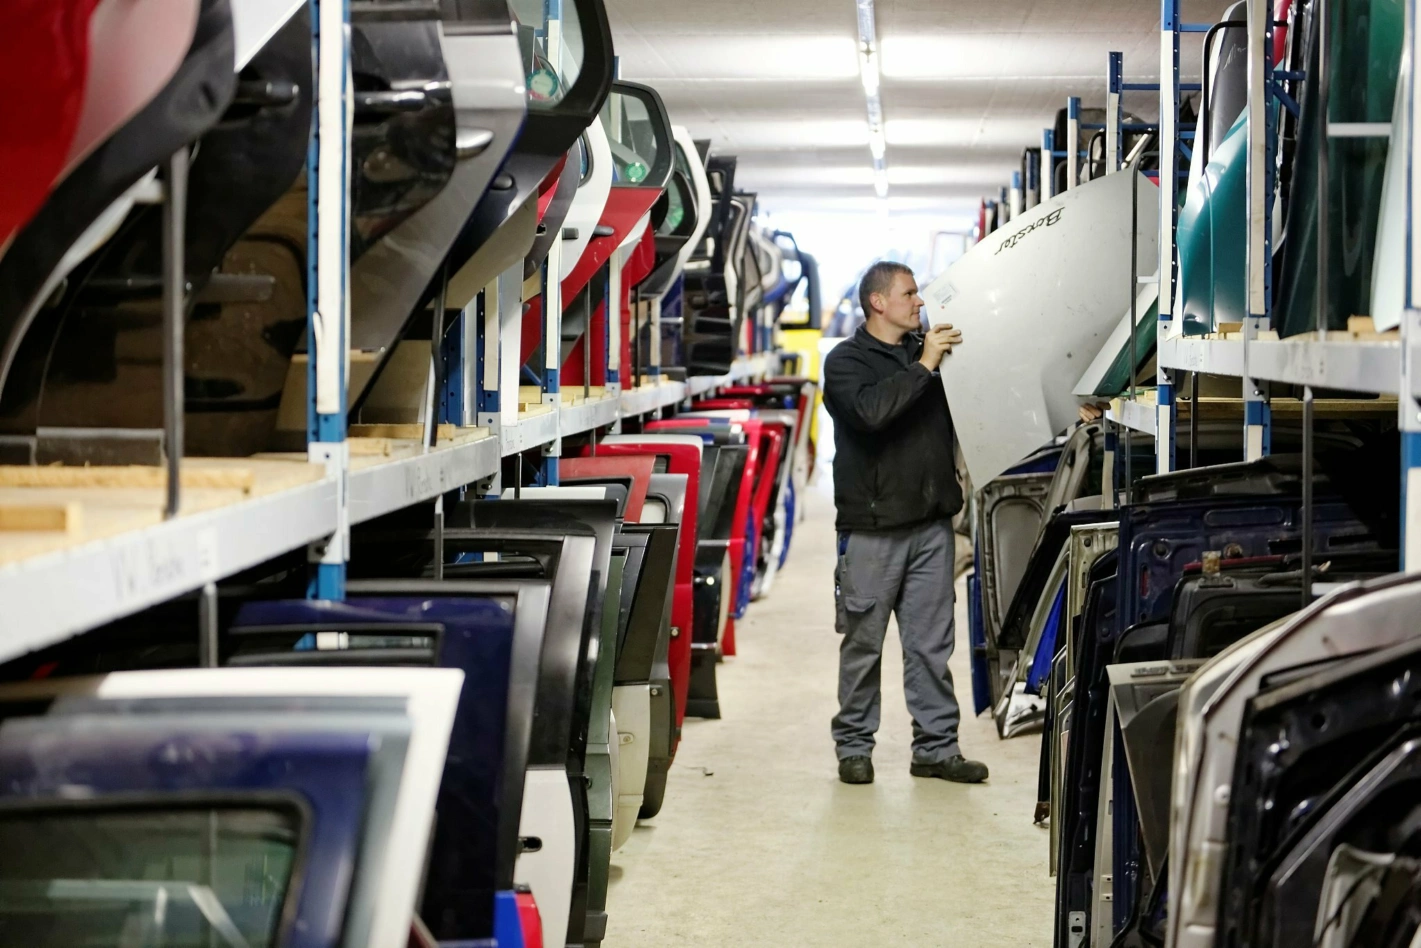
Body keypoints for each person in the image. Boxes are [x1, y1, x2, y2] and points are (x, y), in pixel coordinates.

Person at [821, 260, 989, 786]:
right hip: (871, 532)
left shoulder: (935, 359)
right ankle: (854, 747)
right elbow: (872, 414)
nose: (920, 302)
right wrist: (923, 366)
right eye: (910, 293)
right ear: (878, 302)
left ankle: (936, 749)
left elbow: (981, 410)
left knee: (931, 647)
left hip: (930, 528)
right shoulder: (846, 362)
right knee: (863, 645)